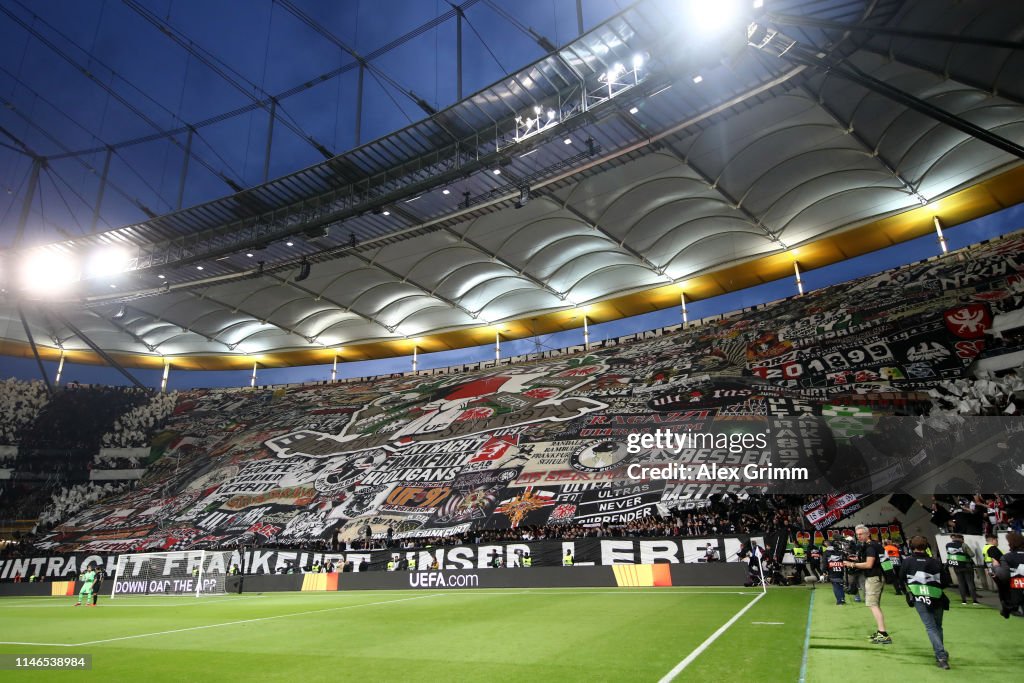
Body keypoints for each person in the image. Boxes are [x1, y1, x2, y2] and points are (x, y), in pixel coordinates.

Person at [902, 535, 950, 669]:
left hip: (919, 596)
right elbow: (945, 581)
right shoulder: (935, 562)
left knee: (930, 627)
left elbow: (902, 578)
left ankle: (941, 656)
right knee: (937, 626)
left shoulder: (907, 561)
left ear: (912, 546)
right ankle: (940, 653)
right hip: (936, 596)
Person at [845, 525, 891, 644]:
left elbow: (869, 564)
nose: (859, 536)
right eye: (857, 534)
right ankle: (881, 632)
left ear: (868, 534)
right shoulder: (873, 545)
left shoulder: (870, 547)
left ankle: (883, 634)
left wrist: (851, 564)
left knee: (873, 605)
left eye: (861, 534)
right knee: (875, 605)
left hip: (874, 578)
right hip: (877, 577)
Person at [993, 531, 1024, 619]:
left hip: (1016, 591)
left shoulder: (1007, 557)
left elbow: (1003, 575)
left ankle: (1007, 608)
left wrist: (996, 567)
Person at [944, 534, 980, 605]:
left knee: (961, 583)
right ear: (961, 539)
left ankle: (964, 600)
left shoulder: (948, 545)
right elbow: (972, 554)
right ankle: (974, 601)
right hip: (967, 565)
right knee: (970, 583)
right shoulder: (963, 545)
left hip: (956, 566)